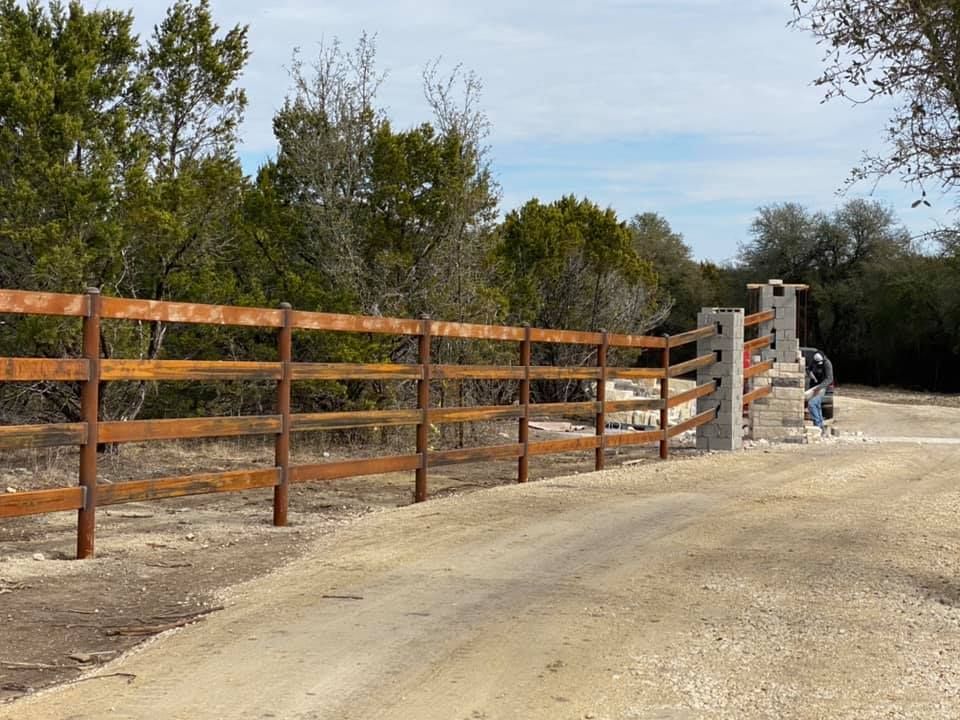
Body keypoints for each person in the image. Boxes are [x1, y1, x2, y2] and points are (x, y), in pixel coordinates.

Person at [806, 350, 834, 436]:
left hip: (822, 387)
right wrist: (811, 375)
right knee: (817, 406)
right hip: (813, 387)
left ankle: (817, 426)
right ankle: (821, 428)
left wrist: (820, 387)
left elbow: (829, 379)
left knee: (812, 404)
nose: (818, 364)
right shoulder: (814, 361)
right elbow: (808, 369)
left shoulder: (827, 363)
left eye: (819, 362)